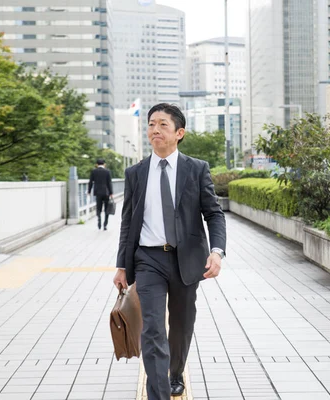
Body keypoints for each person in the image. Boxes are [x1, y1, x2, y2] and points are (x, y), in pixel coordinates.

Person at [114, 103, 226, 399]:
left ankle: (176, 372)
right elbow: (128, 222)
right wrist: (122, 266)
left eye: (163, 124)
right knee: (152, 328)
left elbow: (214, 214)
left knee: (181, 324)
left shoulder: (196, 169)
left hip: (187, 260)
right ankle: (159, 393)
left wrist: (217, 251)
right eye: (151, 124)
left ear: (179, 133)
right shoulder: (135, 173)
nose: (155, 130)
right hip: (148, 259)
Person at [87, 158, 114, 230]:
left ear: (96, 164)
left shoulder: (94, 171)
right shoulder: (107, 171)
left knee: (98, 208)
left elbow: (90, 182)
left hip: (98, 193)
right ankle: (105, 224)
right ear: (104, 164)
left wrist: (89, 191)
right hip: (106, 193)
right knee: (106, 209)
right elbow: (109, 183)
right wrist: (111, 193)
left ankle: (99, 220)